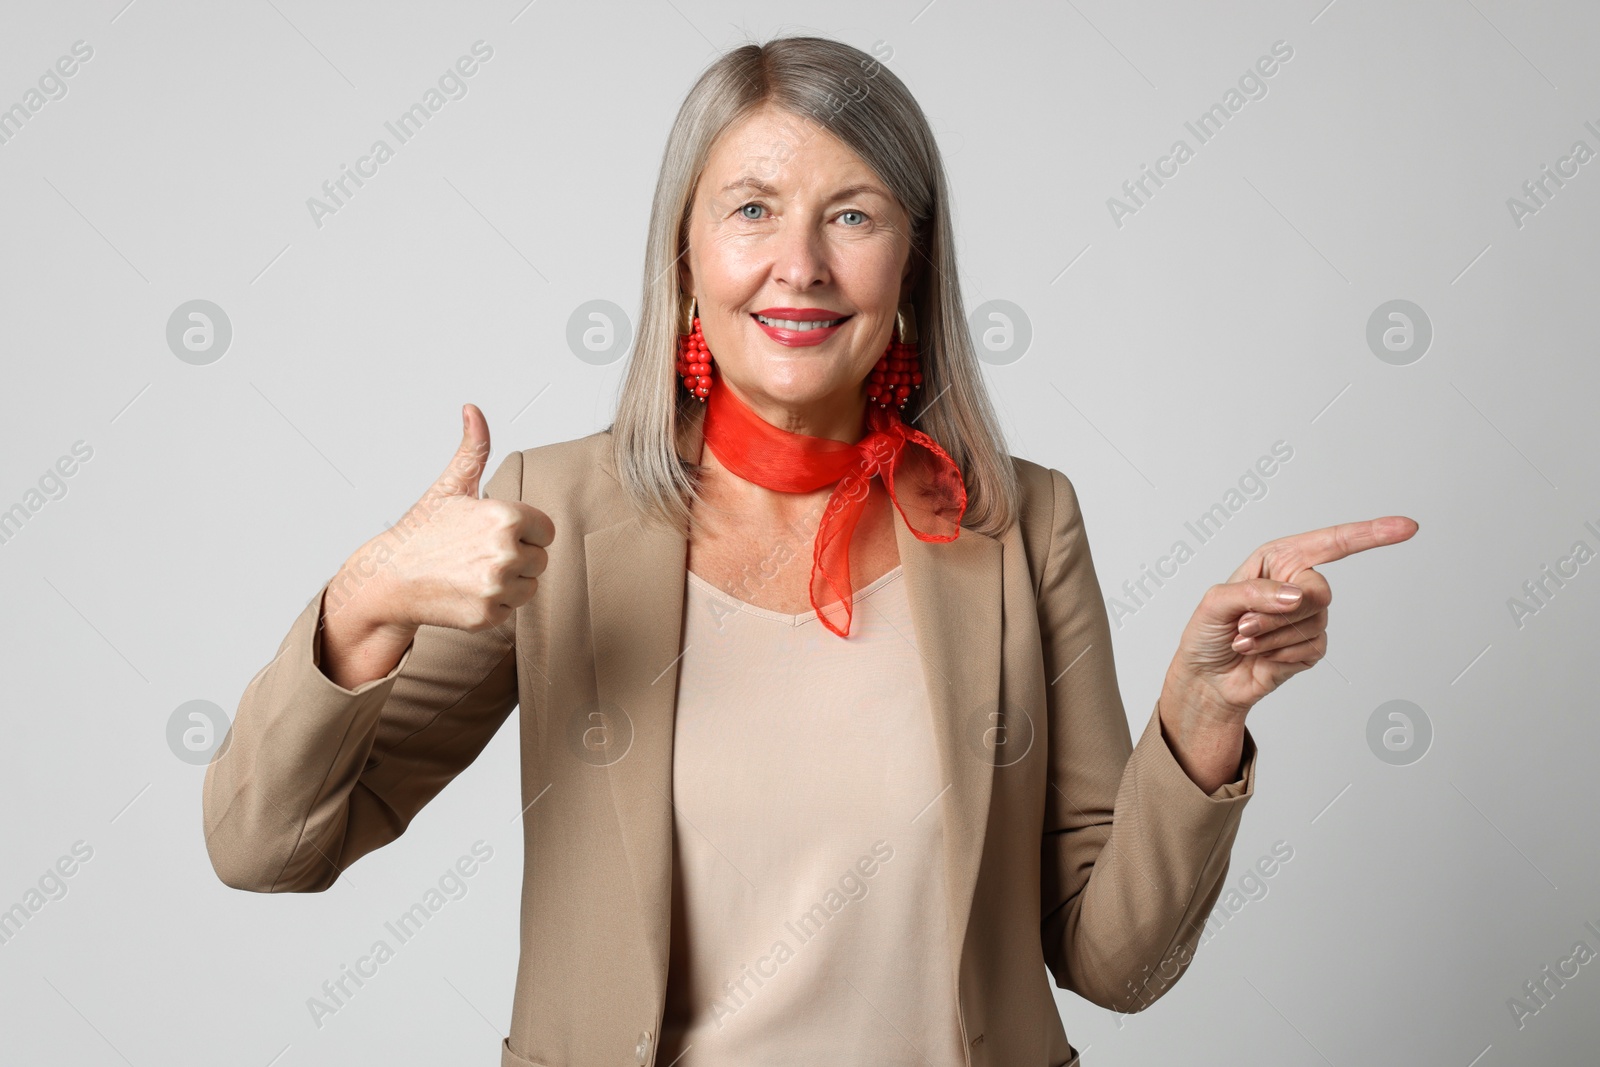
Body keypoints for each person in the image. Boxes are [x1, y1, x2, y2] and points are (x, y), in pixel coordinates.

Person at [201, 34, 1417, 1067]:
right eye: (751, 210)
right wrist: (363, 606)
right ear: (684, 261)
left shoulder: (1019, 522)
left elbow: (1114, 957)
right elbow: (265, 846)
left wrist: (1202, 709)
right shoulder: (552, 517)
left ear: (912, 263)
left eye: (852, 213)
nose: (801, 263)